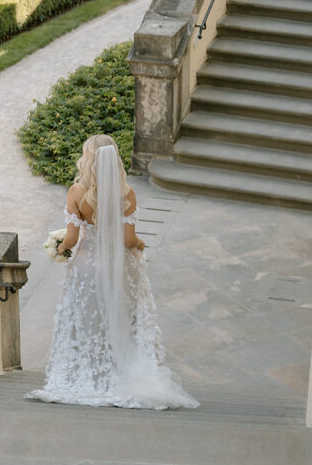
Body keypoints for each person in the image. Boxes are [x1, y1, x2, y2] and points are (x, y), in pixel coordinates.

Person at [26, 134, 199, 410]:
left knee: (87, 321)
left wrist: (59, 249)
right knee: (120, 318)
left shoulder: (77, 192)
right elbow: (129, 241)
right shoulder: (127, 193)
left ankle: (90, 372)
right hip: (121, 267)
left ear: (89, 159)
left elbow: (71, 239)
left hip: (88, 266)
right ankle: (120, 370)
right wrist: (141, 244)